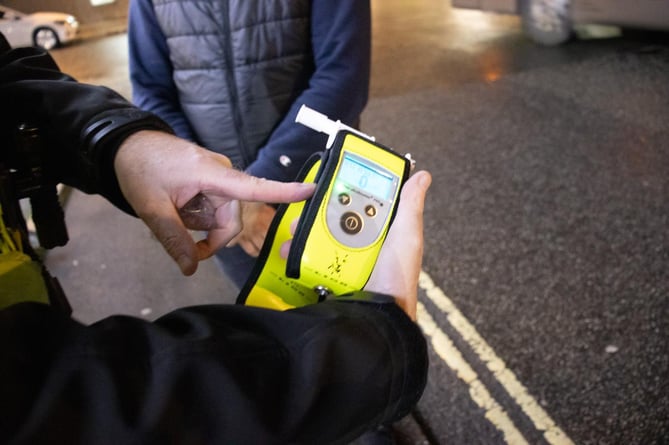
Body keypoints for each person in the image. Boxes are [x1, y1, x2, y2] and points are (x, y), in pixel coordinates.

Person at [0, 36, 432, 444]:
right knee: (278, 315)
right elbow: (78, 411)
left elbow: (10, 80)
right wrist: (377, 342)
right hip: (228, 200)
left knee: (309, 319)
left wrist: (120, 141)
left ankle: (361, 414)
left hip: (257, 188)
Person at [128, 0, 372, 289]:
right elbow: (151, 93)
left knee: (352, 314)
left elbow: (343, 76)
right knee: (268, 318)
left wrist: (253, 188)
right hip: (228, 212)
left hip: (319, 186)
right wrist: (218, 190)